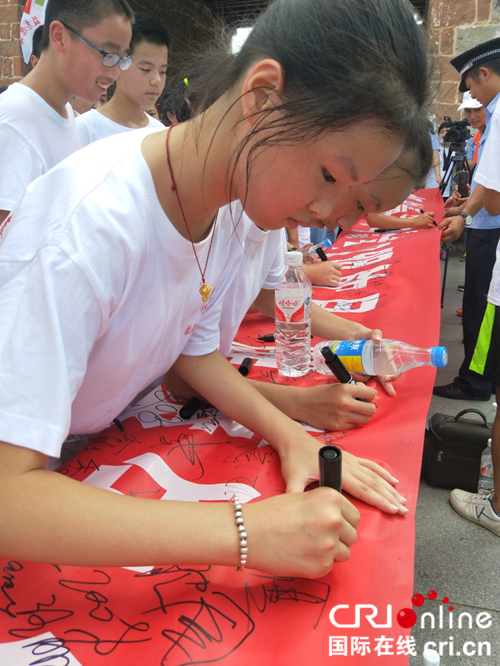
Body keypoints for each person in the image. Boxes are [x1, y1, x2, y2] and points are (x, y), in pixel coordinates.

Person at [0, 0, 432, 578]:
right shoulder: (88, 227)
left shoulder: (229, 204)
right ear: (261, 97)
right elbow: (9, 493)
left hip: (90, 447)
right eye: (329, 175)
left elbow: (193, 350)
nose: (327, 211)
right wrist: (244, 533)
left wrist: (292, 435)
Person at [164, 139, 433, 432]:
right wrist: (299, 404)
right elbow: (182, 375)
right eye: (359, 204)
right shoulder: (209, 224)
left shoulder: (269, 224)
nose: (350, 222)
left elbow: (272, 296)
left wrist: (362, 336)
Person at [0, 0, 134, 227]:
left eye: (122, 60)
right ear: (60, 36)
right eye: (108, 54)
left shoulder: (66, 113)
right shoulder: (14, 120)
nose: (114, 73)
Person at [435, 38, 500, 401]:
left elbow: (493, 198)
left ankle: (476, 381)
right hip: (488, 229)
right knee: (478, 305)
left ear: (485, 73)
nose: (472, 96)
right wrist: (465, 208)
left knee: (481, 307)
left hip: (492, 232)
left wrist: (466, 214)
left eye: (471, 85)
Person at [76, 12, 168, 145]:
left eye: (163, 71)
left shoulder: (161, 134)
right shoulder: (85, 129)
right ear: (119, 64)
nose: (157, 80)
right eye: (146, 70)